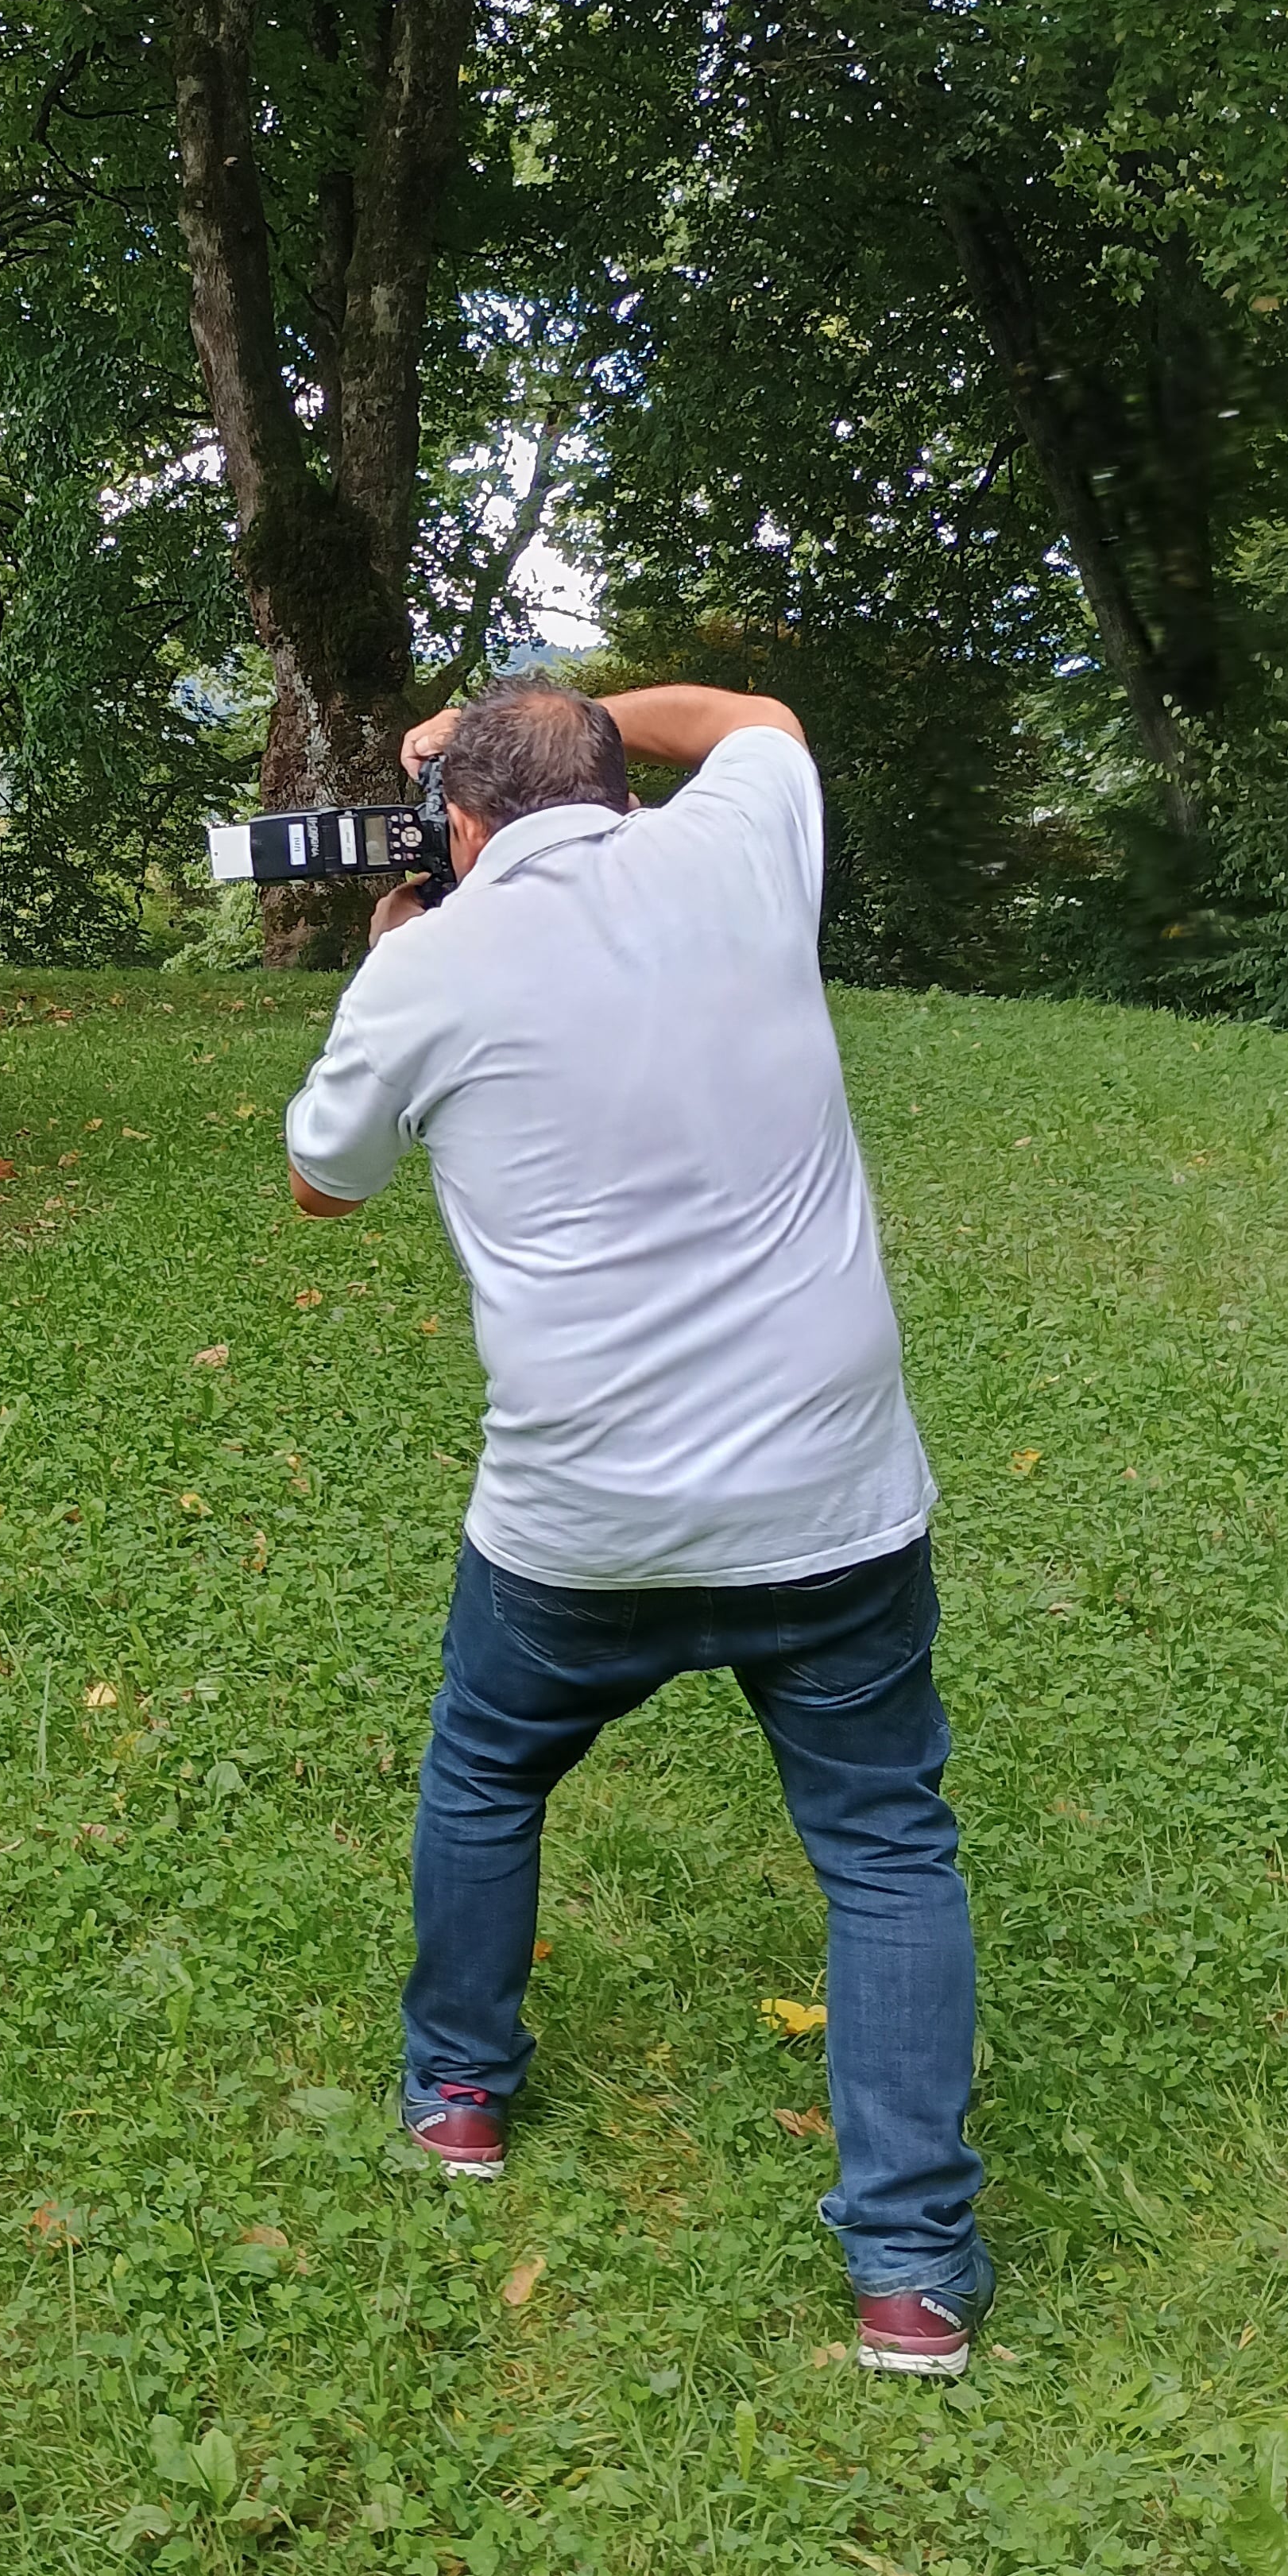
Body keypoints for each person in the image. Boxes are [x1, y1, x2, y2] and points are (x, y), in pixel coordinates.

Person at [281, 678, 989, 2379]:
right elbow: (754, 711)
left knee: (485, 1769)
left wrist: (396, 945)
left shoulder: (426, 966)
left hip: (578, 1516)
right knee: (889, 1845)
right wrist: (565, 703)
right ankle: (910, 2268)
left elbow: (326, 1181)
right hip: (828, 1498)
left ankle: (459, 2093)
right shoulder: (739, 852)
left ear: (458, 820)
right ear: (618, 779)